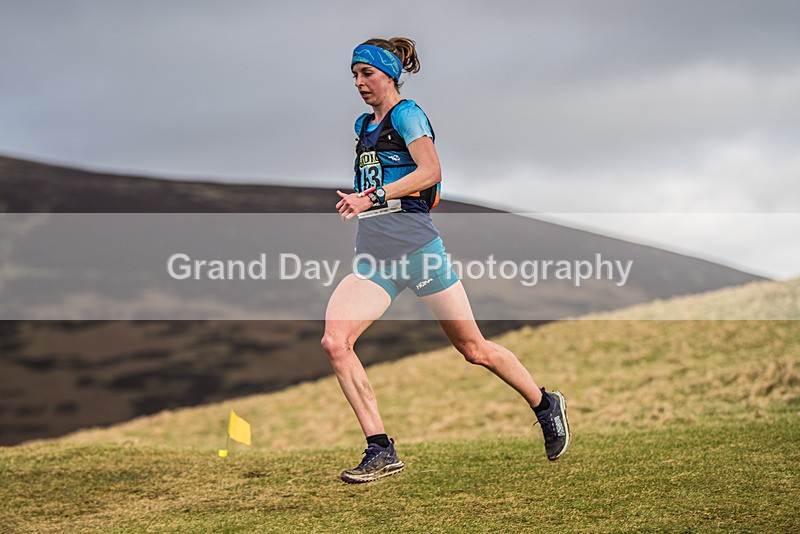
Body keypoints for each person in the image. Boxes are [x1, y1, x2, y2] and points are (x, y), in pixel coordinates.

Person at [322, 37, 571, 484]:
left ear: (390, 75)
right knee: (335, 342)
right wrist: (368, 201)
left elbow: (431, 172)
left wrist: (373, 195)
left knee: (474, 350)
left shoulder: (408, 114)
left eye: (368, 73)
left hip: (419, 254)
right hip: (374, 260)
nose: (359, 82)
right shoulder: (364, 125)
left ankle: (544, 402)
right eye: (355, 75)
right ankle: (380, 449)